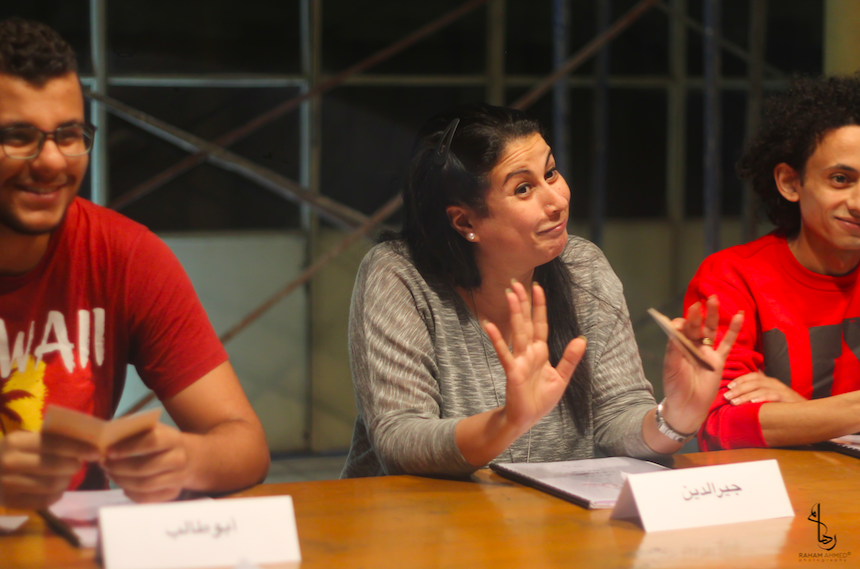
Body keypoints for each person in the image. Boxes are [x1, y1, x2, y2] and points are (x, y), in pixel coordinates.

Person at [342, 103, 742, 477]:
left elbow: (617, 418)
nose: (557, 200)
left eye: (550, 173)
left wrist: (675, 417)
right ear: (465, 222)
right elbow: (400, 440)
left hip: (551, 528)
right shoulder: (399, 275)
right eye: (523, 188)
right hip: (419, 531)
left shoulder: (583, 268)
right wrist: (508, 422)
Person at [0, 18, 269, 508]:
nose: (53, 161)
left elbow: (245, 445)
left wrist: (185, 458)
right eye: (18, 136)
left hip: (70, 547)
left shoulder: (123, 255)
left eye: (69, 133)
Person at [685, 74, 860, 451]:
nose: (859, 202)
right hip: (779, 496)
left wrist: (802, 413)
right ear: (790, 182)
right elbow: (717, 424)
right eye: (841, 179)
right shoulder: (733, 277)